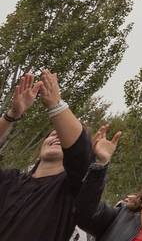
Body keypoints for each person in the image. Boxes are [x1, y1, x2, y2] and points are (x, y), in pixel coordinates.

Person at [0, 70, 93, 241]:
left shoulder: (73, 190)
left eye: (61, 134)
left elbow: (80, 151)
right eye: (52, 133)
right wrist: (11, 115)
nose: (57, 135)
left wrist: (56, 105)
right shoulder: (10, 180)